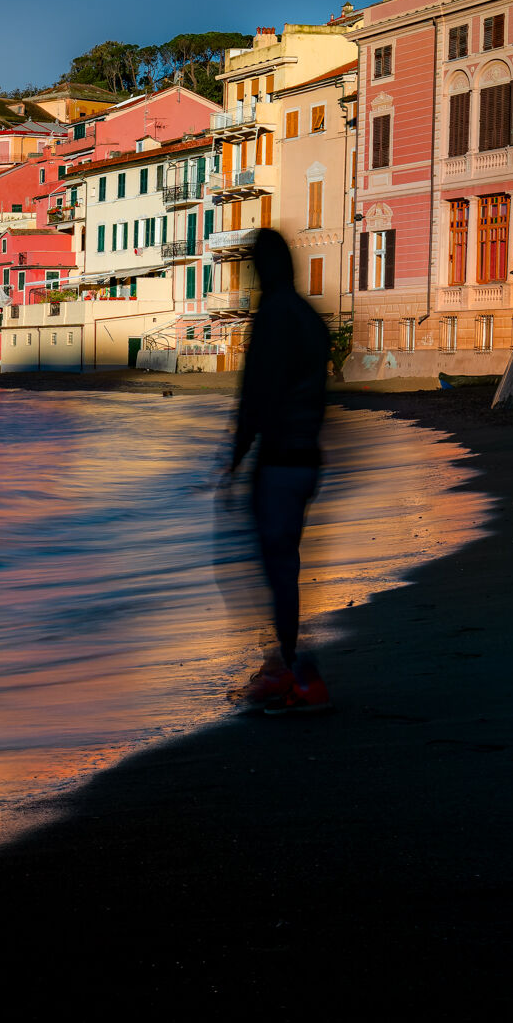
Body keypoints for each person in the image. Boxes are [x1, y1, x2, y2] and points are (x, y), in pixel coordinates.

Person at [222, 227, 332, 714]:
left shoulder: (273, 318)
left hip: (279, 462)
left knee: (275, 570)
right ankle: (285, 663)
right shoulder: (310, 319)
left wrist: (237, 455)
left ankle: (296, 674)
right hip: (308, 458)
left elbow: (259, 393)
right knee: (282, 565)